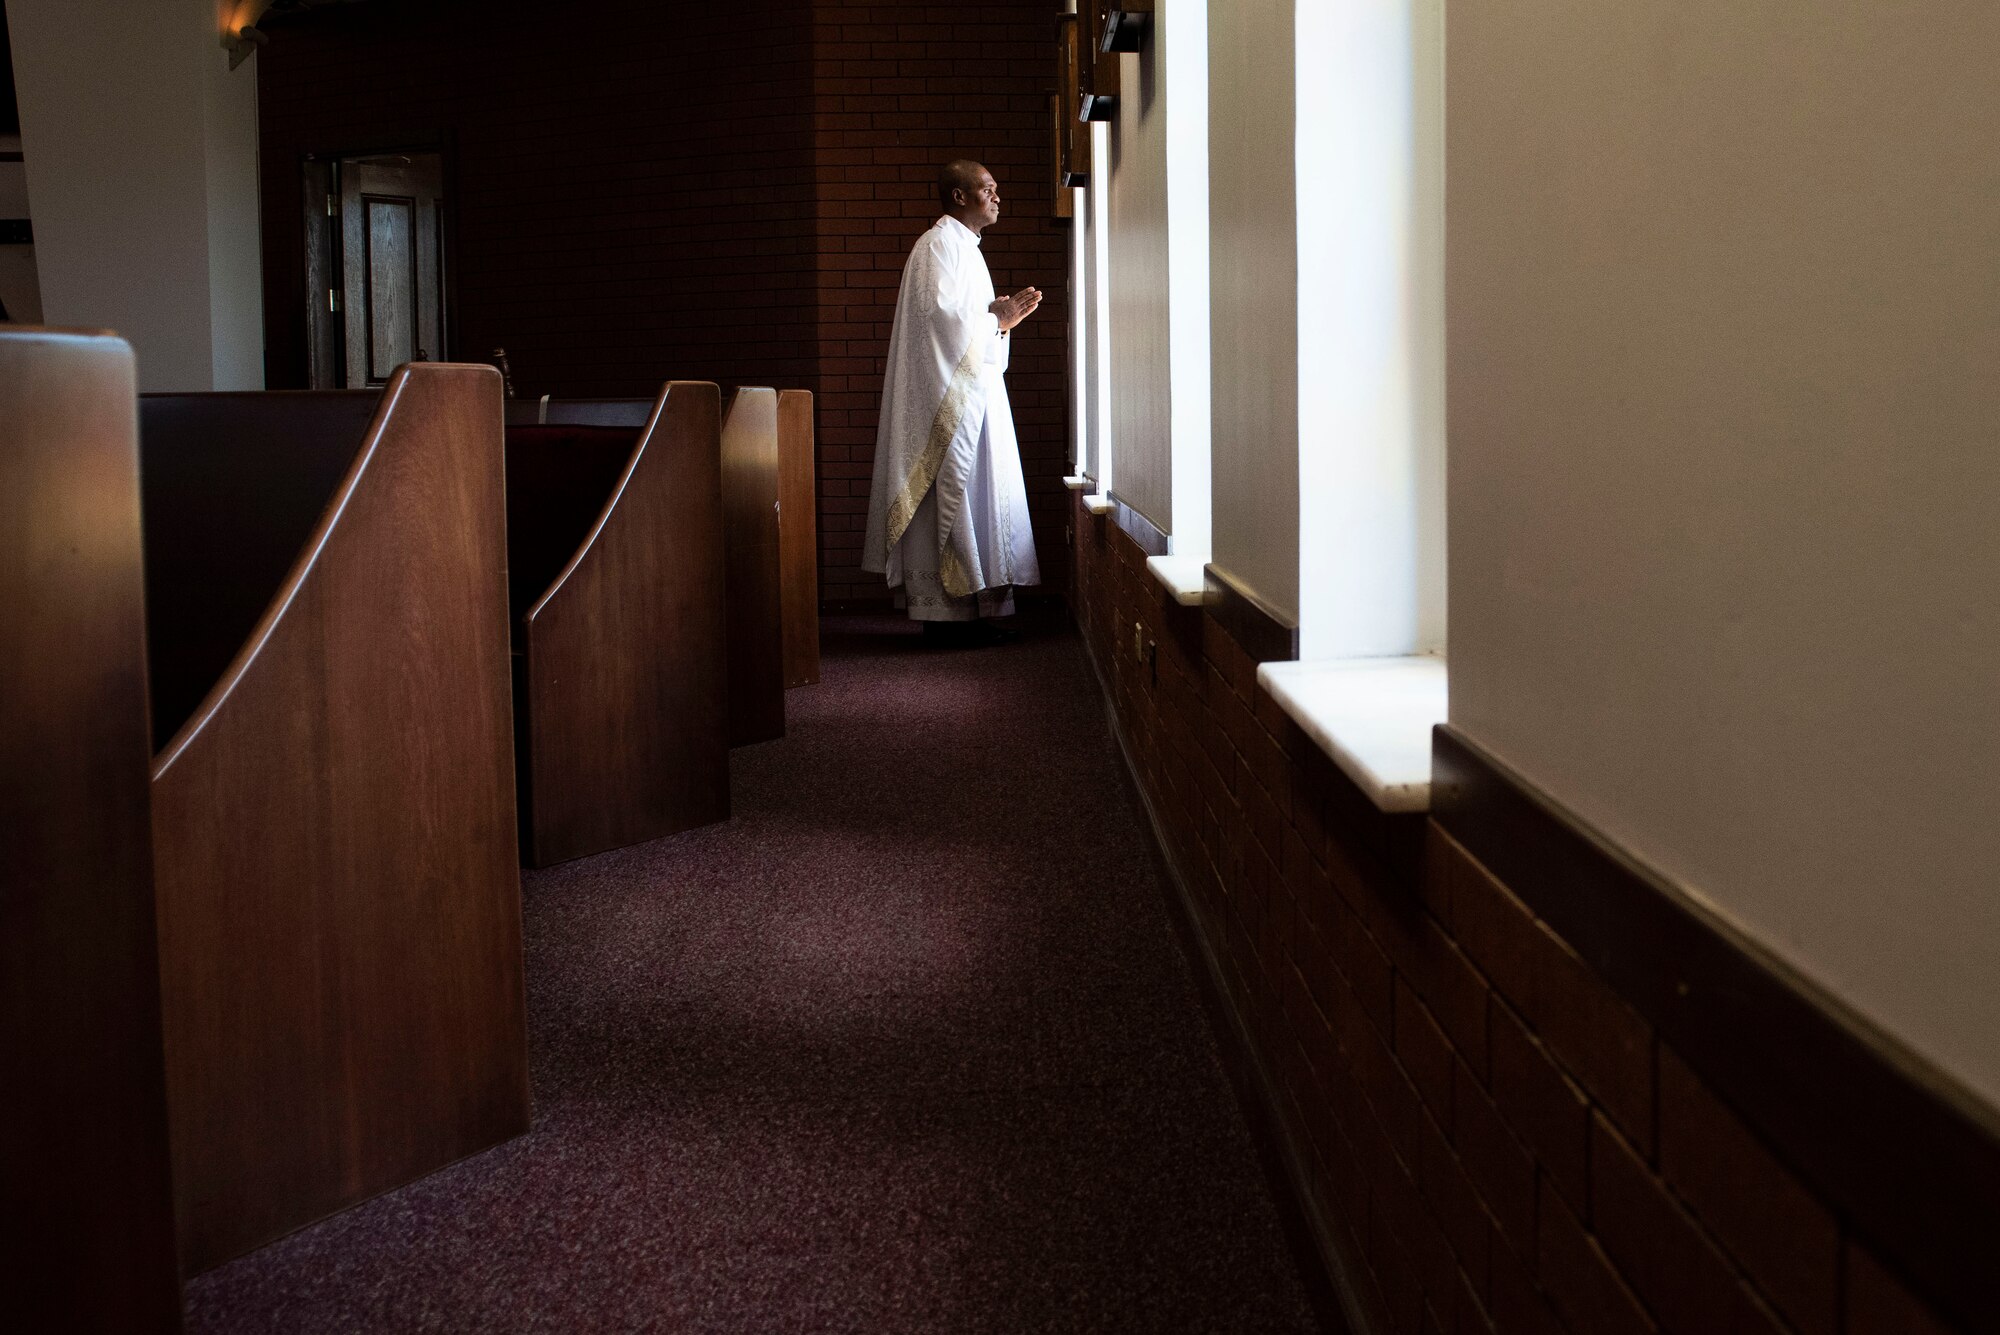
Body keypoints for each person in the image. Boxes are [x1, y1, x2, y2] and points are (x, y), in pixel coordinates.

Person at [861, 159, 1043, 643]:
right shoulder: (937, 245)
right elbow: (941, 321)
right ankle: (947, 619)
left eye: (997, 188)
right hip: (949, 402)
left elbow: (972, 322)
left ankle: (977, 611)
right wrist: (994, 320)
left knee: (980, 493)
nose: (997, 196)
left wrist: (997, 323)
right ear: (960, 197)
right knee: (955, 491)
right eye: (988, 189)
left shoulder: (967, 248)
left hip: (974, 395)